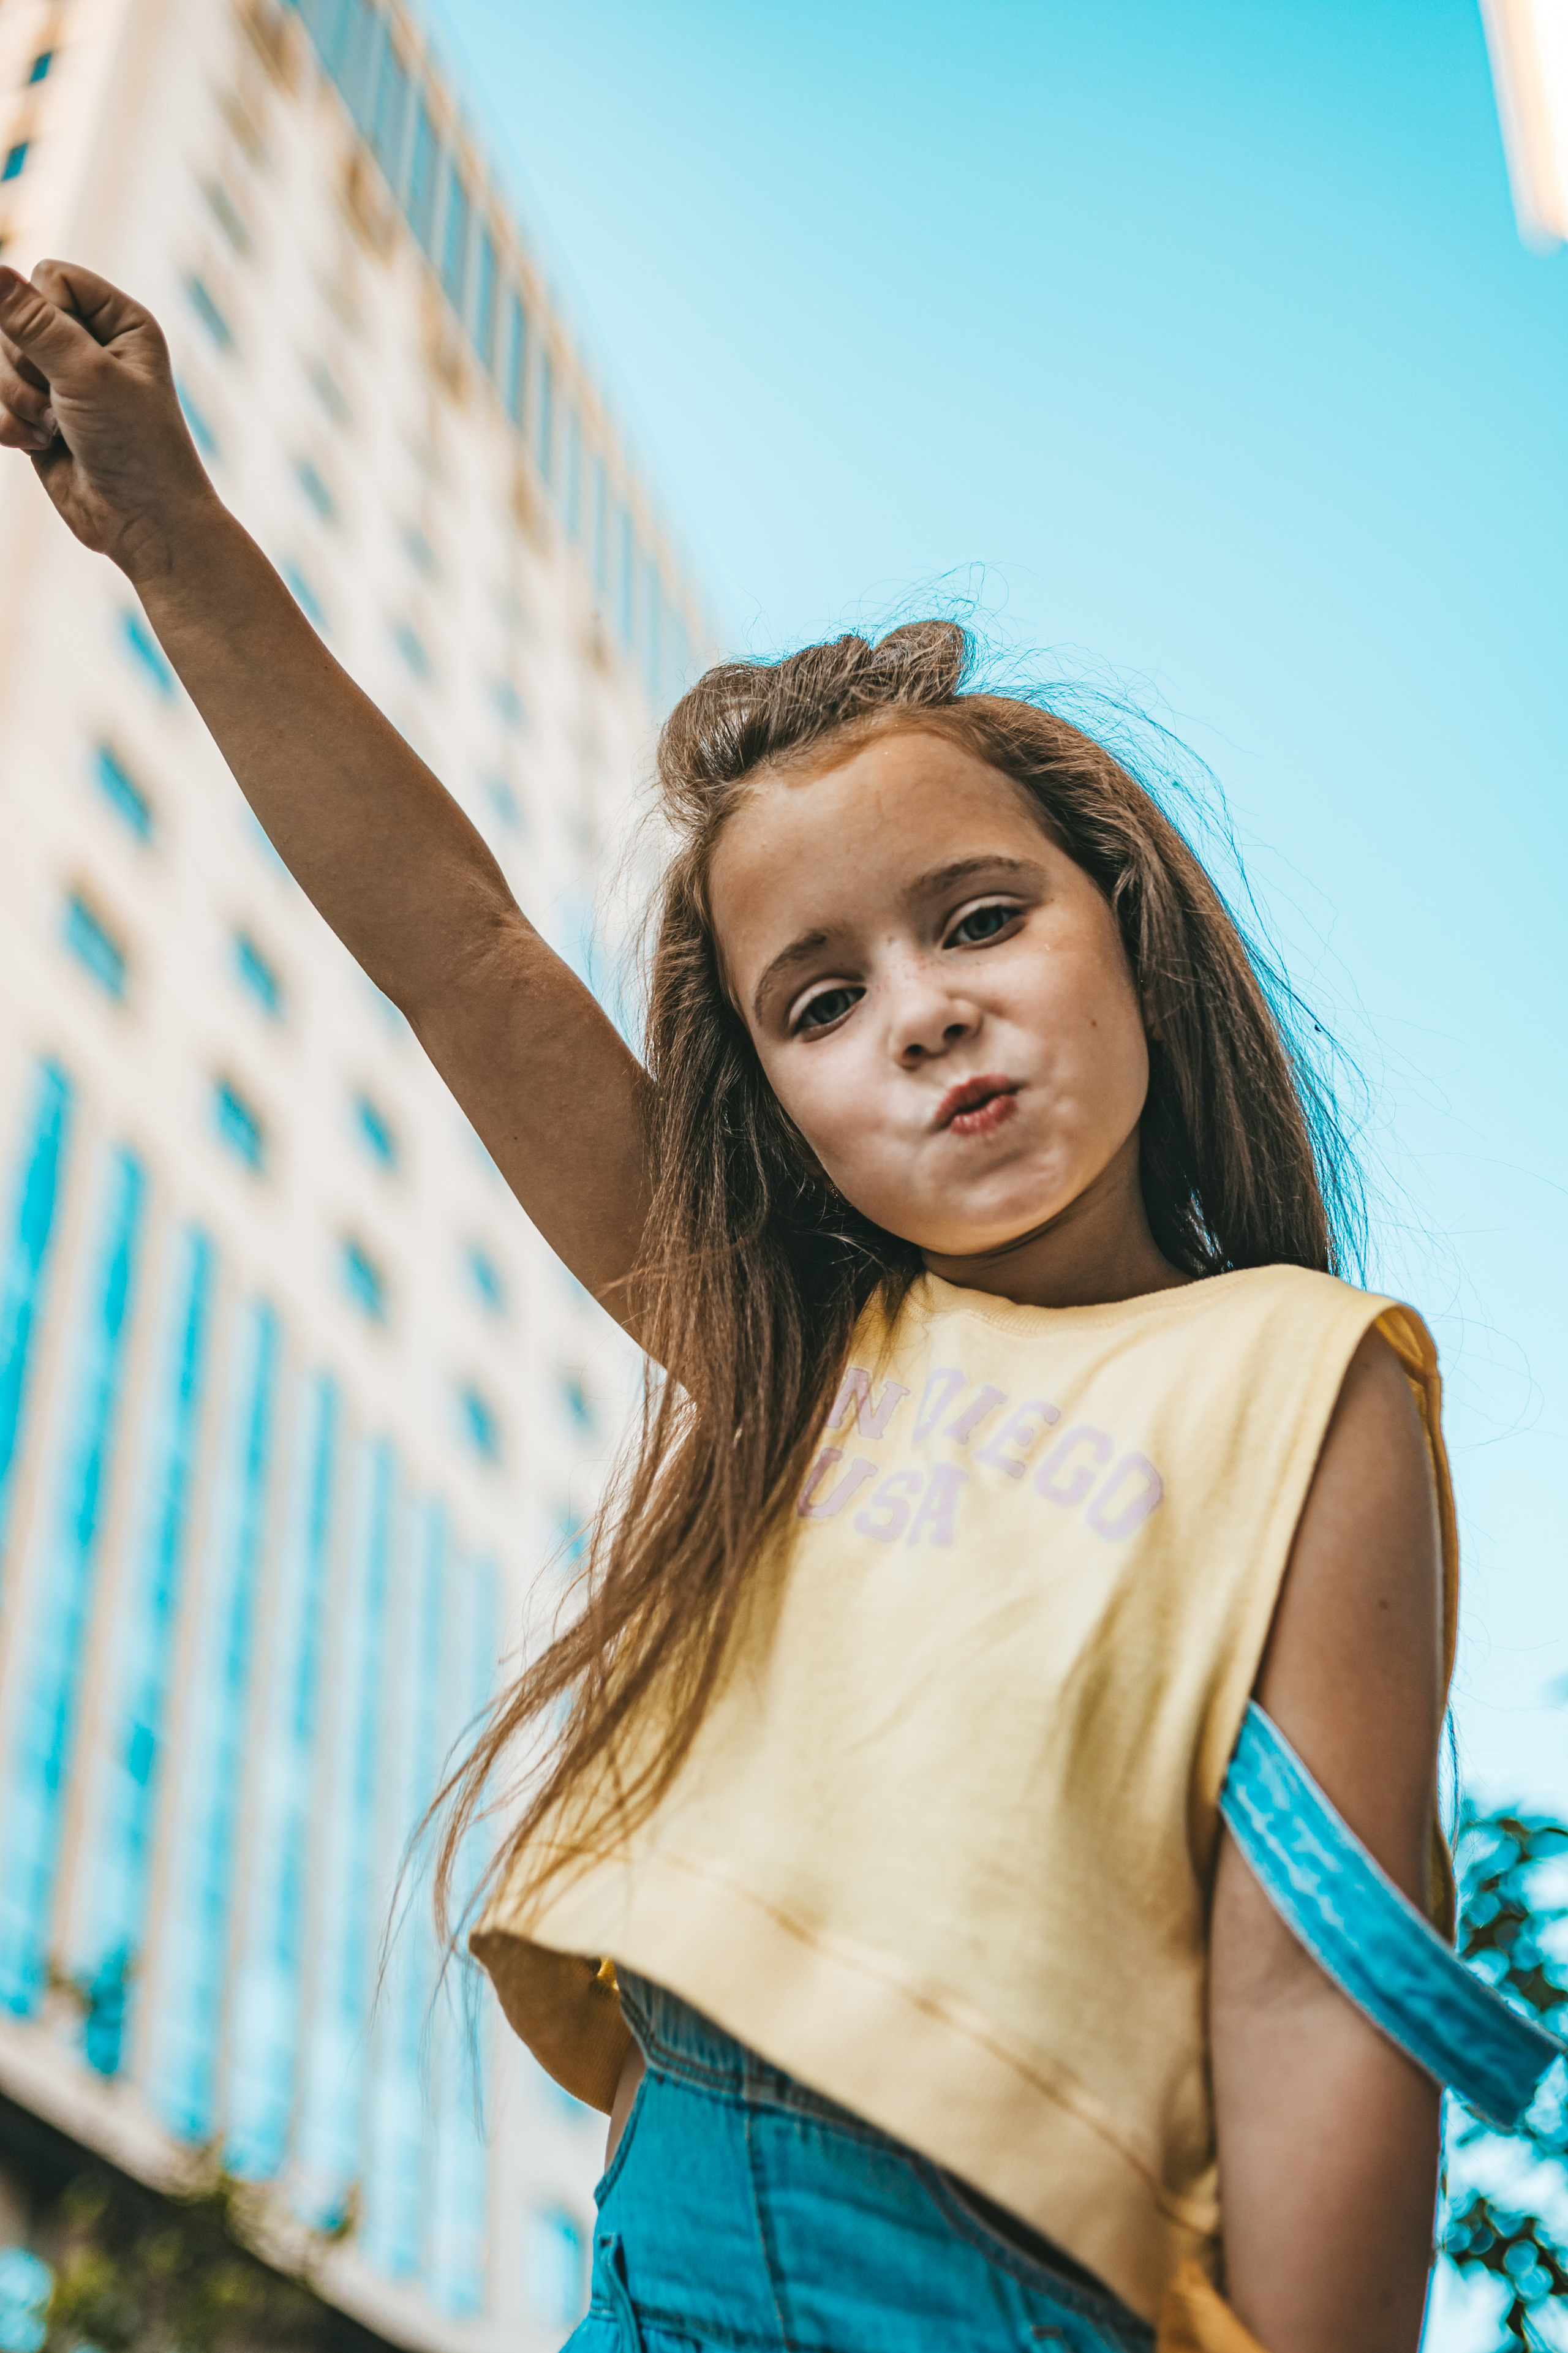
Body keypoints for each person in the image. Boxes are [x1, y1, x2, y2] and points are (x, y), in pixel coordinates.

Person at [0, 260, 1460, 2353]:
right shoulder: (806, 1351)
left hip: (990, 2282)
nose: (927, 1012)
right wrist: (173, 530)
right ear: (781, 1117)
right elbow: (466, 955)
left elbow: (1318, 1977)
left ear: (1125, 925)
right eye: (824, 1002)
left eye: (980, 918)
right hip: (655, 2233)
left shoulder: (1309, 1379)